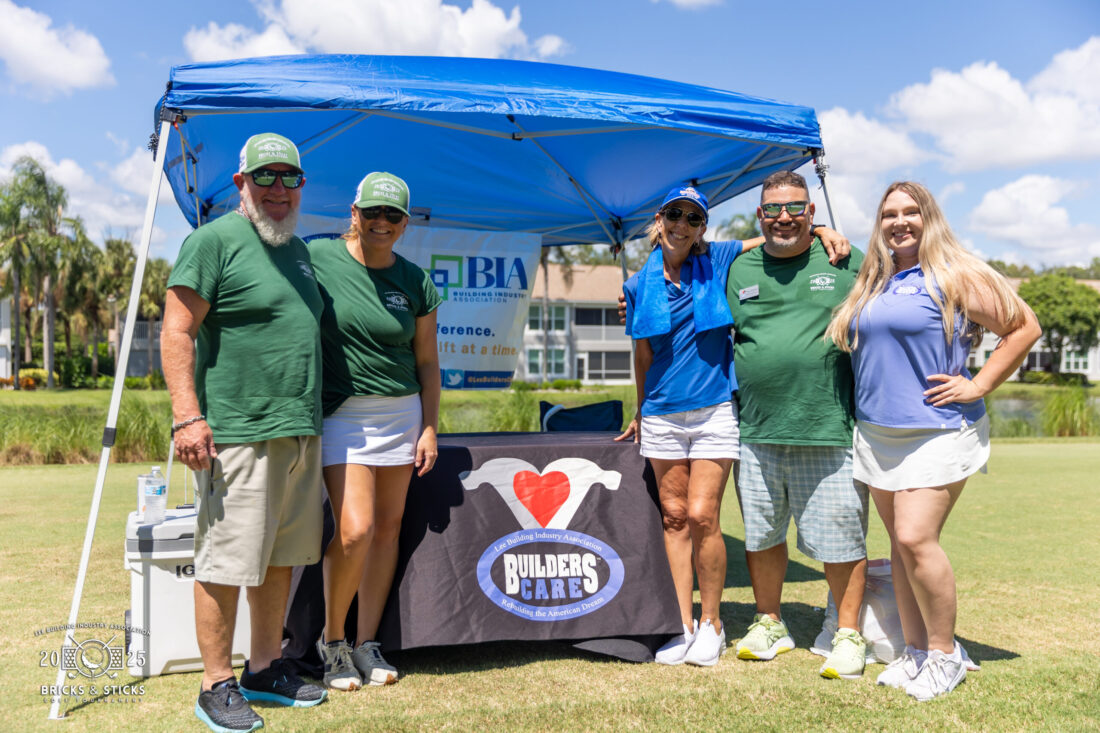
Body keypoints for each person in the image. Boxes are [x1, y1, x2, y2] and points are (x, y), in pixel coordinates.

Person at [616, 185, 849, 667]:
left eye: (694, 219)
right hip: (660, 414)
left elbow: (773, 238)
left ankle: (712, 623)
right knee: (673, 516)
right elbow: (642, 355)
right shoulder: (637, 286)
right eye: (675, 215)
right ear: (659, 220)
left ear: (703, 227)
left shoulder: (717, 258)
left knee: (703, 515)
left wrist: (821, 228)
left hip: (714, 410)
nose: (683, 226)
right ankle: (681, 623)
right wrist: (640, 409)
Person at [826, 181, 1040, 700]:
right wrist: (817, 229)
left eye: (910, 212)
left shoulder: (953, 273)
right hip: (877, 433)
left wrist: (979, 384)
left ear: (930, 217)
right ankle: (916, 652)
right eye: (889, 214)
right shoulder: (876, 279)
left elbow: (1024, 327)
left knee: (916, 538)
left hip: (939, 430)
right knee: (900, 547)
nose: (899, 222)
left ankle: (946, 655)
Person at [162, 132, 327, 733]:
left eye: (290, 178)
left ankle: (263, 668)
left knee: (279, 559)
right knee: (226, 561)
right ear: (241, 183)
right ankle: (216, 684)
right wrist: (188, 416)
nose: (279, 189)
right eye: (265, 177)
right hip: (237, 432)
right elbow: (176, 331)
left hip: (297, 430)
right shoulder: (212, 241)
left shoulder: (298, 250)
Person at [725, 170, 871, 680]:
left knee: (842, 540)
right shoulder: (737, 268)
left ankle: (848, 634)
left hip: (827, 427)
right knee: (762, 536)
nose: (783, 217)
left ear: (812, 211)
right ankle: (770, 623)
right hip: (756, 431)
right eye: (772, 209)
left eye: (794, 208)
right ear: (759, 215)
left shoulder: (846, 260)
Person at [310, 172, 442, 691]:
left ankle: (366, 642)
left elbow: (427, 362)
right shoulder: (318, 258)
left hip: (402, 415)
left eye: (393, 215)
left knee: (387, 530)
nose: (381, 222)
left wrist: (429, 427)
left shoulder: (417, 281)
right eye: (372, 212)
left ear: (405, 224)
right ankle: (332, 641)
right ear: (354, 213)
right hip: (342, 414)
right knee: (355, 530)